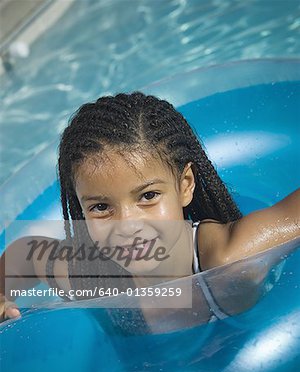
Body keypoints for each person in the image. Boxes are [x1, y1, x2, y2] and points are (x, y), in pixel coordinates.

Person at [1, 92, 299, 327]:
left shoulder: (229, 260)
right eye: (101, 207)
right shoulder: (93, 281)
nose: (127, 225)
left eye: (148, 196)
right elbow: (25, 255)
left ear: (185, 186)